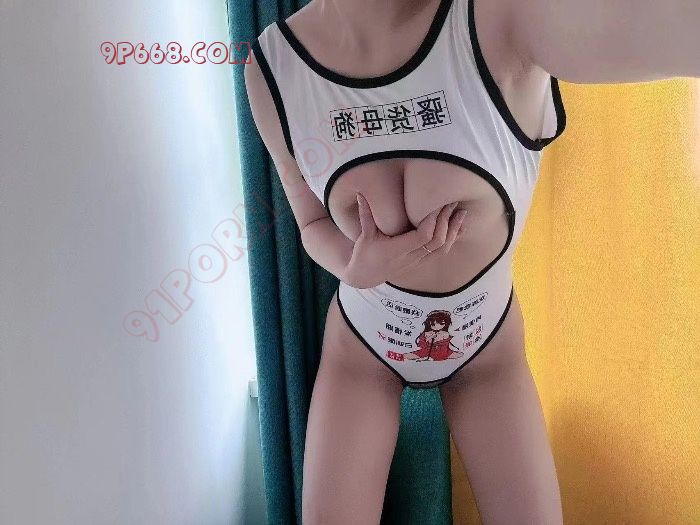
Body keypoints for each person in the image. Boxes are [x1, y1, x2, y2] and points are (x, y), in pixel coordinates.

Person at [244, 0, 699, 522]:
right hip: (361, 352)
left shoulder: (500, 18)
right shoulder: (272, 69)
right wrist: (353, 265)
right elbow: (309, 222)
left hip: (487, 354)